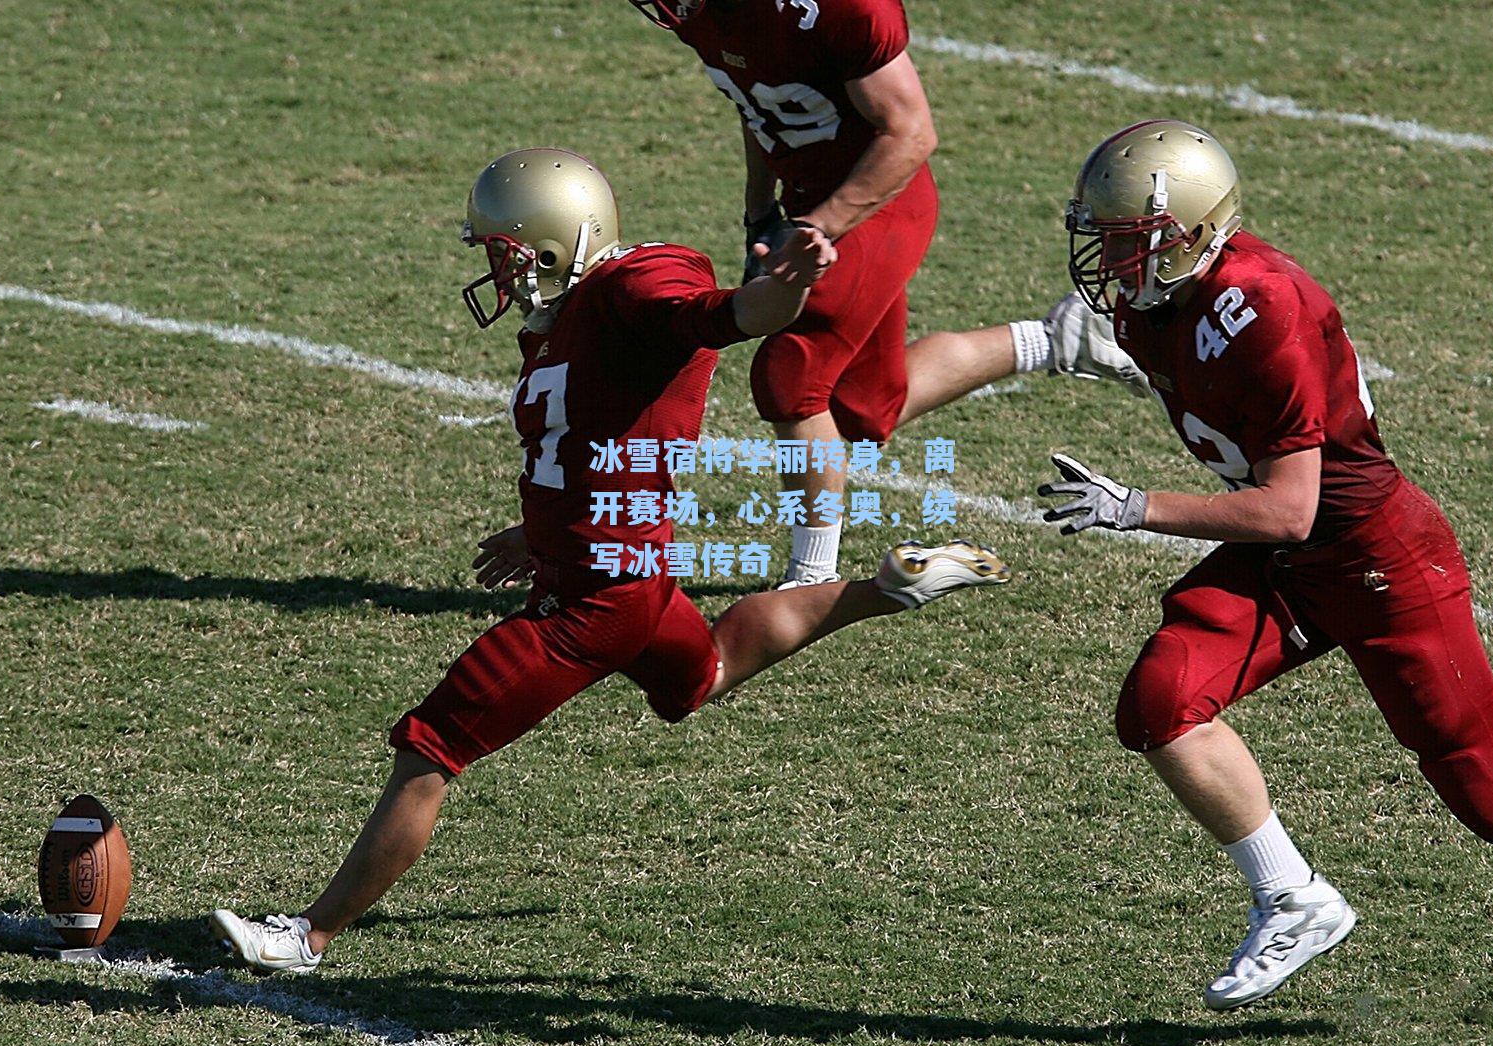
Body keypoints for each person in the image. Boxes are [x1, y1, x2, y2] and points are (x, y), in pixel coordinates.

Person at [210, 147, 1009, 972]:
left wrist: (789, 286)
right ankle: (888, 587)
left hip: (591, 603)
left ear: (557, 243)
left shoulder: (634, 290)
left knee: (431, 746)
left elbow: (733, 314)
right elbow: (595, 435)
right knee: (705, 673)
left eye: (507, 251)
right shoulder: (573, 315)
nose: (498, 269)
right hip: (632, 577)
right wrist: (541, 529)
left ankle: (306, 935)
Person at [1035, 120, 1493, 1046]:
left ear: (1191, 232)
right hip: (1293, 560)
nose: (1111, 258)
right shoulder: (1150, 302)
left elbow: (1290, 508)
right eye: (1105, 235)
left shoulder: (1266, 307)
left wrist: (1136, 507)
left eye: (1130, 238)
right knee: (1161, 701)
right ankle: (1292, 896)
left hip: (1374, 552)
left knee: (1481, 782)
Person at [630, 0, 1138, 588]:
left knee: (790, 376)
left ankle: (813, 575)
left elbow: (911, 132)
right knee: (866, 408)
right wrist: (761, 210)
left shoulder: (837, 9)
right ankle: (1059, 339)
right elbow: (760, 107)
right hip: (811, 203)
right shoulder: (705, 14)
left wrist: (820, 226)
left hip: (880, 204)